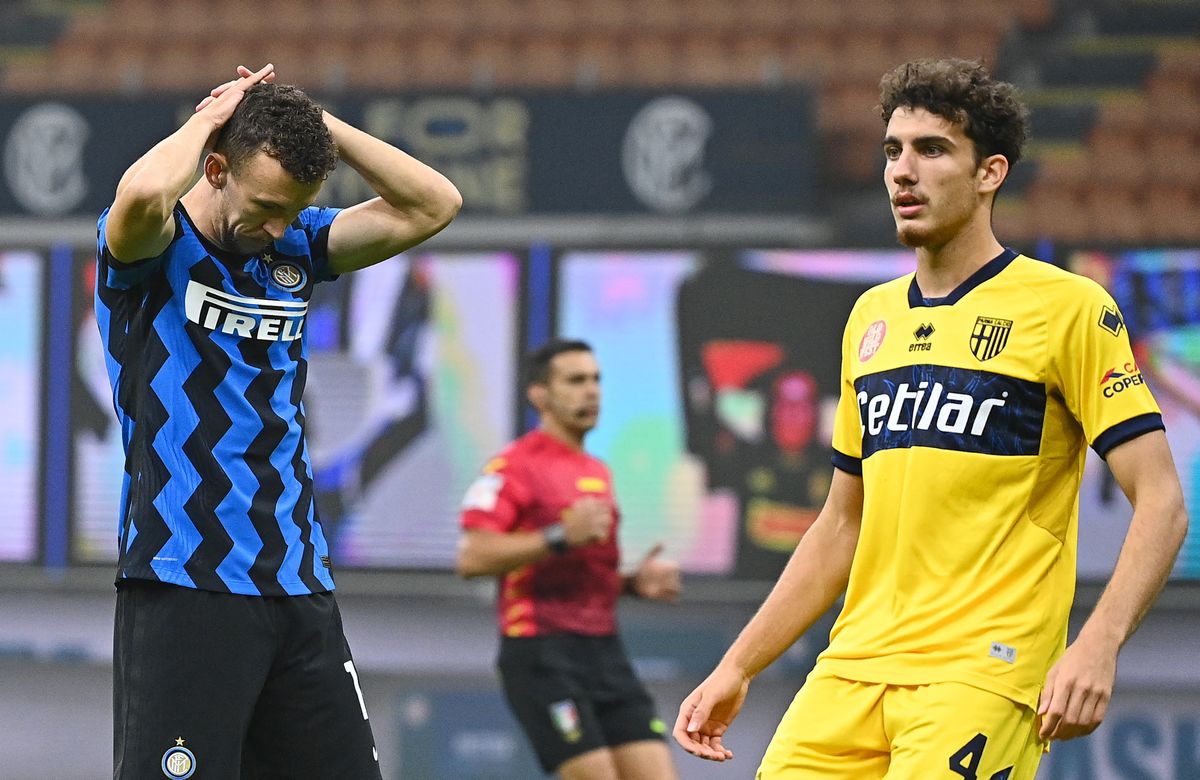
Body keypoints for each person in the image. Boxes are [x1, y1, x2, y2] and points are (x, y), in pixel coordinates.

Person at [673, 57, 1189, 779]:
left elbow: (1162, 501)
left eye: (932, 150)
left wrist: (1097, 642)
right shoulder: (870, 319)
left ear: (990, 173)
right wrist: (739, 664)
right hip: (851, 669)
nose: (902, 172)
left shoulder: (1067, 308)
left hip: (980, 674)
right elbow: (841, 524)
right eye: (892, 151)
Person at [97, 63, 461, 779]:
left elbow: (434, 204)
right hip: (185, 582)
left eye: (294, 210)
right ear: (214, 167)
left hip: (299, 584)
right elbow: (141, 190)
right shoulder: (150, 247)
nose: (277, 227)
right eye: (265, 204)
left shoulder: (295, 246)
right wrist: (215, 113)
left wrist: (317, 123)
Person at [457, 338, 683, 780]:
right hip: (541, 653)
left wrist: (634, 584)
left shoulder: (597, 470)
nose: (592, 391)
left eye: (596, 380)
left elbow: (583, 572)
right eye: (576, 380)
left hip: (605, 652)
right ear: (540, 395)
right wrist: (560, 535)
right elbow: (472, 556)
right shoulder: (512, 467)